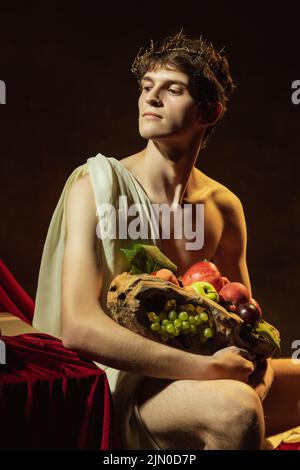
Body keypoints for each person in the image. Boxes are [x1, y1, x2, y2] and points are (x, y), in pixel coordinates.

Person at [33, 30, 300, 450]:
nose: (150, 99)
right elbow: (79, 329)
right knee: (236, 410)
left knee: (258, 394)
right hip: (127, 383)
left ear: (208, 112)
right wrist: (207, 372)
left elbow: (243, 325)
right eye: (146, 87)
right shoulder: (95, 185)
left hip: (206, 372)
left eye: (171, 89)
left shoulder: (223, 206)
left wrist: (258, 376)